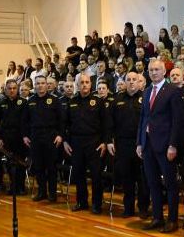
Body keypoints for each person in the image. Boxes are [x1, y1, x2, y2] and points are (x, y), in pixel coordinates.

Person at [137, 59, 183, 233]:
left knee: (170, 184)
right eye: (151, 70)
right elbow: (143, 119)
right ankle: (157, 217)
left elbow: (177, 121)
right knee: (153, 183)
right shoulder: (147, 91)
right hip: (148, 144)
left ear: (164, 72)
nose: (153, 72)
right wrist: (140, 142)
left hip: (165, 145)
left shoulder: (172, 91)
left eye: (157, 69)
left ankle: (172, 220)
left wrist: (173, 145)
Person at [107, 72, 149, 218]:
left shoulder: (146, 98)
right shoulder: (117, 99)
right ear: (124, 82)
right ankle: (128, 208)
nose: (131, 82)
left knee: (142, 178)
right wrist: (109, 141)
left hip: (141, 144)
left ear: (140, 82)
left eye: (134, 80)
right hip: (122, 143)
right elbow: (110, 122)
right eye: (128, 80)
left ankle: (143, 208)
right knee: (127, 178)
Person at [64, 74, 107, 213]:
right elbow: (66, 124)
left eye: (87, 82)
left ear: (91, 84)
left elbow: (106, 124)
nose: (84, 84)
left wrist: (105, 142)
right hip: (76, 142)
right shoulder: (72, 101)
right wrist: (65, 141)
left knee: (96, 175)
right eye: (81, 82)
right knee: (78, 174)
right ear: (77, 84)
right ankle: (81, 202)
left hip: (94, 142)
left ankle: (96, 204)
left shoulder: (98, 101)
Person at [23, 76, 63, 202]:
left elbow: (62, 120)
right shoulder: (30, 101)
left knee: (51, 166)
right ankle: (41, 192)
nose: (40, 85)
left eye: (43, 83)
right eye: (38, 83)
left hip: (51, 137)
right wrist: (25, 135)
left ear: (47, 85)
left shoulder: (54, 100)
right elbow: (24, 121)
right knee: (38, 166)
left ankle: (52, 193)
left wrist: (60, 135)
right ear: (34, 85)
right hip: (35, 137)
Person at [0, 79, 28, 195]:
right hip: (6, 137)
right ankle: (13, 186)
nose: (12, 90)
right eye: (9, 88)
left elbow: (26, 122)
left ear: (17, 89)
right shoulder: (2, 103)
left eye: (14, 88)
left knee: (20, 163)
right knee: (10, 163)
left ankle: (21, 187)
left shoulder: (23, 102)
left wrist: (25, 136)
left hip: (20, 137)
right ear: (5, 90)